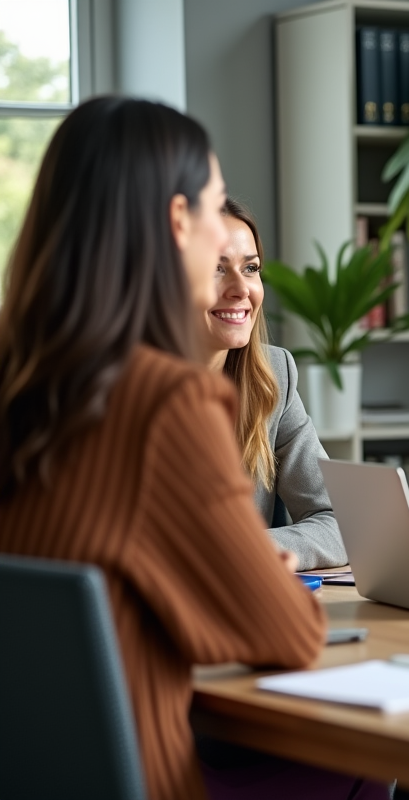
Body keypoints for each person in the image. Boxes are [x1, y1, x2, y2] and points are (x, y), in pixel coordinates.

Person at [0, 97, 387, 799]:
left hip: (38, 774)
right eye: (213, 210)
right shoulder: (162, 404)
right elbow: (287, 634)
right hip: (152, 776)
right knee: (385, 753)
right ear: (177, 223)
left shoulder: (22, 381)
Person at [201, 197, 346, 570]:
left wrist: (245, 549)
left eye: (250, 268)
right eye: (216, 268)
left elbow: (339, 521)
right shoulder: (114, 389)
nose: (240, 289)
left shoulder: (274, 376)